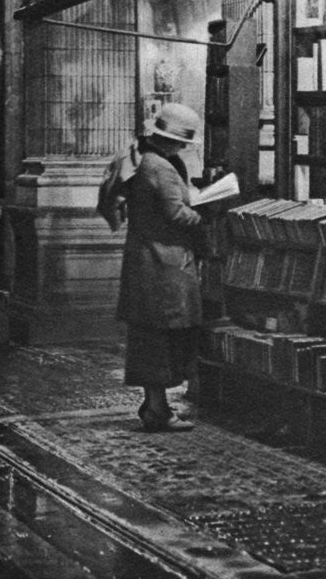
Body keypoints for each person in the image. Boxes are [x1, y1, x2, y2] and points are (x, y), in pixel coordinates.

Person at [116, 102, 207, 432]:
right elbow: (176, 214)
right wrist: (206, 212)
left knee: (149, 338)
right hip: (163, 265)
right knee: (161, 338)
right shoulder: (161, 167)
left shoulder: (145, 160)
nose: (183, 147)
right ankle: (157, 409)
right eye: (181, 142)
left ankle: (155, 405)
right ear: (170, 140)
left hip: (146, 262)